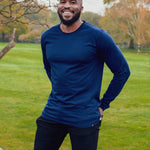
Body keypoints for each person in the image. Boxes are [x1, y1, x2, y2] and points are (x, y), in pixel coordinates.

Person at [34, 0, 130, 150]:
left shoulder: (98, 36)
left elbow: (122, 71)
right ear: (58, 6)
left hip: (85, 117)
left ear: (81, 8)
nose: (67, 6)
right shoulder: (48, 36)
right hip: (53, 113)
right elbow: (49, 67)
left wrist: (103, 105)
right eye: (62, 2)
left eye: (73, 2)